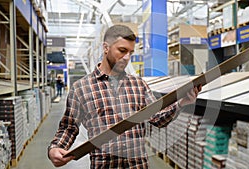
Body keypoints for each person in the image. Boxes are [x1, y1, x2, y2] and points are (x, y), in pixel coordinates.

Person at [48, 25, 202, 169]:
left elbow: (158, 118)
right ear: (106, 48)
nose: (127, 57)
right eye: (122, 50)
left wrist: (182, 103)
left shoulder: (138, 85)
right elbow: (68, 127)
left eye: (130, 52)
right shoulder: (81, 88)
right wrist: (56, 148)